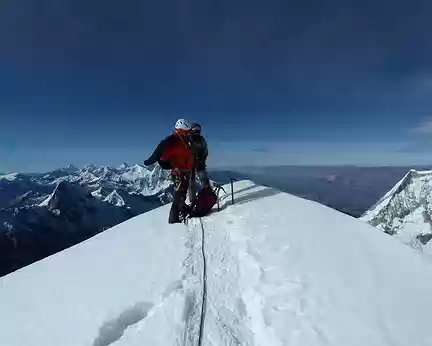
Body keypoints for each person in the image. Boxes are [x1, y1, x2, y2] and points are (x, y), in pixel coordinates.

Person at [144, 119, 195, 223]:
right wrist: (151, 160)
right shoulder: (172, 141)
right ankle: (174, 220)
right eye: (187, 131)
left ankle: (180, 211)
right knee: (179, 196)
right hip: (179, 172)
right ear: (182, 129)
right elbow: (159, 151)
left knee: (181, 194)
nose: (188, 134)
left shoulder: (183, 140)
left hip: (184, 171)